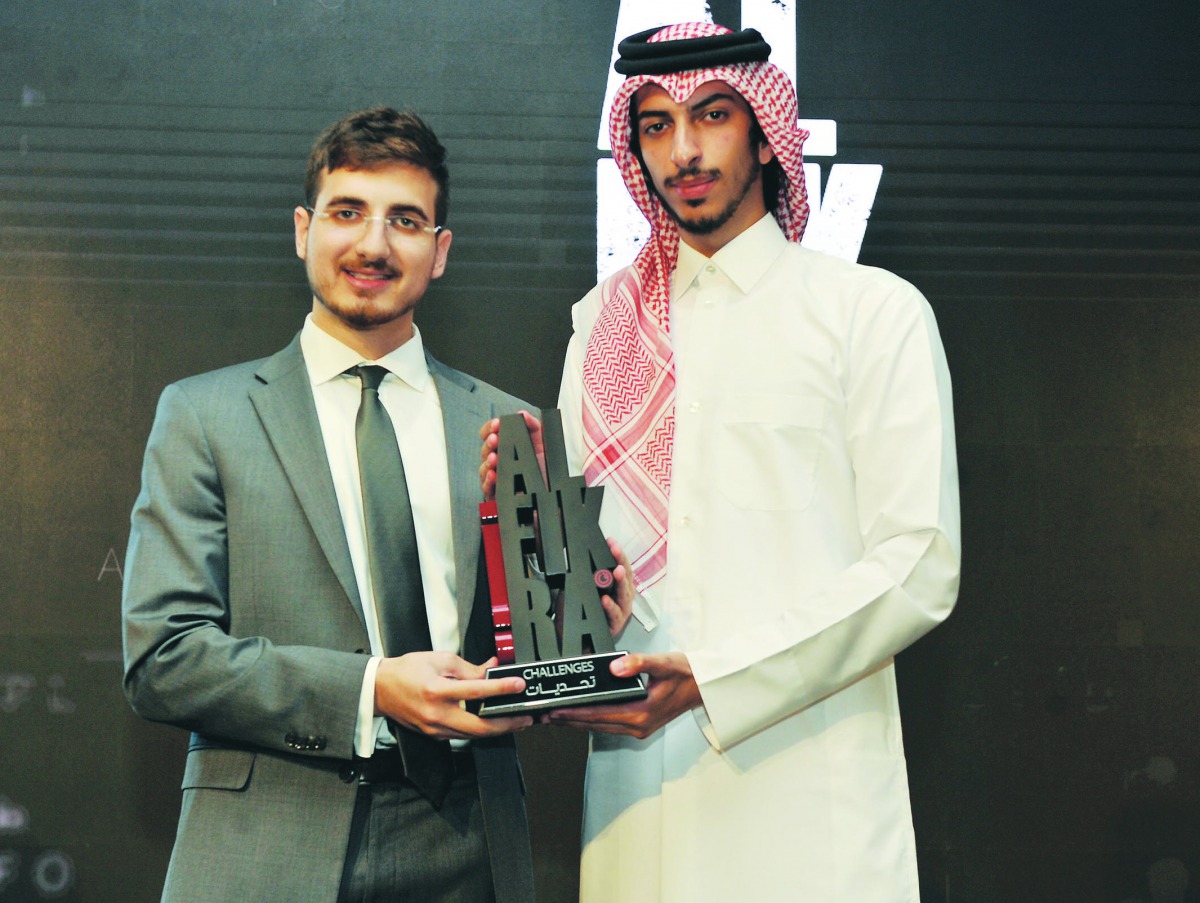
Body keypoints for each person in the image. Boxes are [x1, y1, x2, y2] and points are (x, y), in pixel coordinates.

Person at [482, 21, 961, 902]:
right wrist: (546, 554)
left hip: (806, 794)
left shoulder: (868, 312)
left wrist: (713, 676)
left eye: (712, 114)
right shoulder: (602, 326)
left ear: (767, 135)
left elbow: (918, 563)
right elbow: (597, 578)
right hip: (638, 801)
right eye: (656, 126)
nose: (685, 150)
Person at [122, 106, 538, 903]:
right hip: (266, 844)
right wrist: (372, 688)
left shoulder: (507, 425)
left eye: (406, 220)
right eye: (348, 212)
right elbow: (162, 659)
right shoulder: (205, 415)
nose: (374, 244)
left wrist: (590, 605)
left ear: (440, 251)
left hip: (472, 847)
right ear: (303, 229)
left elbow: (535, 649)